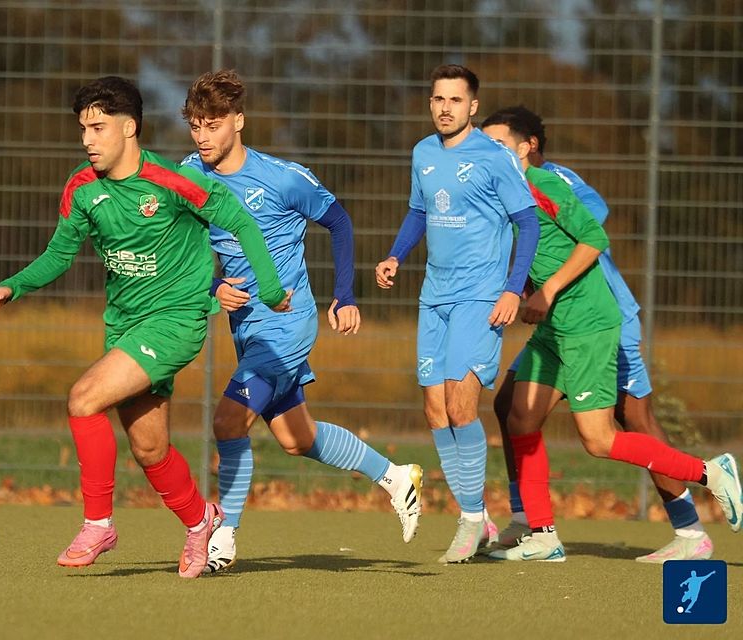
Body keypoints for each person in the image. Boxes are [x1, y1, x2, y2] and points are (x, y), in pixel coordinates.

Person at [0, 76, 291, 578]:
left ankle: (98, 524)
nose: (87, 139)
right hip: (124, 326)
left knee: (84, 398)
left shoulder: (173, 182)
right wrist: (13, 286)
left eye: (98, 128)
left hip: (175, 322)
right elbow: (59, 255)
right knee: (149, 448)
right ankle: (201, 522)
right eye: (83, 129)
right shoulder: (82, 188)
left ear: (129, 128)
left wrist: (271, 291)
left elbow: (241, 221)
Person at [180, 69, 424, 573]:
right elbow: (182, 245)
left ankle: (222, 536)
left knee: (228, 421)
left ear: (238, 122)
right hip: (246, 325)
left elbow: (338, 220)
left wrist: (344, 295)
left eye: (213, 125)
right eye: (196, 126)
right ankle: (396, 477)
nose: (202, 136)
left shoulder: (282, 177)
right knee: (297, 439)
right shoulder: (189, 174)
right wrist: (212, 286)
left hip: (286, 323)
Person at [479, 107, 742, 562]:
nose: (489, 153)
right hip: (555, 328)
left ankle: (709, 479)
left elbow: (593, 231)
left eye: (498, 145)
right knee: (518, 415)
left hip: (591, 321)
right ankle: (540, 531)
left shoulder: (546, 182)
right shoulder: (501, 191)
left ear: (526, 148)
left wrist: (548, 289)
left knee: (611, 432)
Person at [374, 64, 541, 563]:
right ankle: (478, 516)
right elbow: (419, 211)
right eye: (438, 99)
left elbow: (528, 223)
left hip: (481, 295)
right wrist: (395, 255)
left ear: (472, 106)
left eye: (455, 100)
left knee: (461, 407)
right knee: (434, 410)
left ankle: (469, 520)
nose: (445, 108)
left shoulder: (494, 156)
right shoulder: (423, 152)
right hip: (435, 295)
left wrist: (512, 290)